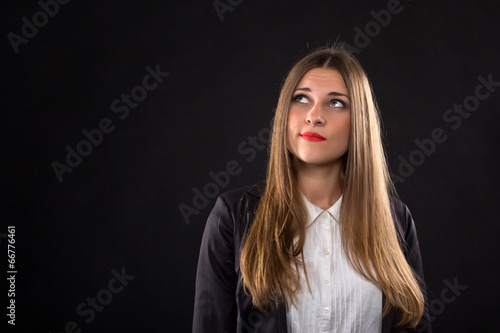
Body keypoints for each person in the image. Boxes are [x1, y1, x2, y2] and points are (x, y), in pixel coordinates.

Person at [193, 45, 431, 333]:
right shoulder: (233, 216)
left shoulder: (396, 220)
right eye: (301, 98)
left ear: (360, 123)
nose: (314, 116)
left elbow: (413, 326)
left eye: (336, 103)